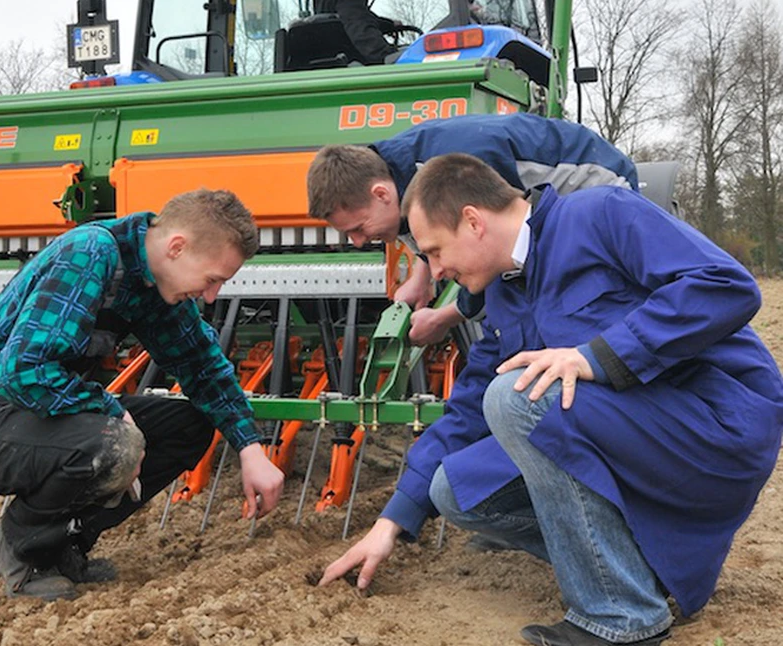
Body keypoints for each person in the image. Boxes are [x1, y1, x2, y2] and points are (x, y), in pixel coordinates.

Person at [319, 153, 783, 645]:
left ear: (473, 221)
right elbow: (469, 406)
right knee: (454, 490)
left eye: (434, 252)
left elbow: (725, 285)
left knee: (518, 398)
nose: (436, 272)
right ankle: (637, 574)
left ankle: (621, 617)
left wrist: (595, 357)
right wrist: (393, 521)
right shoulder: (505, 292)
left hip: (716, 423)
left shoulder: (602, 214)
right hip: (640, 432)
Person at [0, 189, 285, 601]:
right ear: (177, 247)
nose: (211, 296)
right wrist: (110, 410)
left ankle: (64, 545)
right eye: (212, 280)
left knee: (186, 428)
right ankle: (20, 546)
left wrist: (250, 447)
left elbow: (202, 366)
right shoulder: (90, 252)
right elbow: (22, 373)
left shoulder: (151, 283)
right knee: (116, 442)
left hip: (37, 416)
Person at [306, 112, 638, 345]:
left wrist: (445, 317)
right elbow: (427, 230)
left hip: (594, 182)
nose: (359, 242)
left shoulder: (454, 171)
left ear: (380, 193)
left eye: (359, 228)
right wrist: (419, 280)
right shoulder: (390, 173)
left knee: (539, 307)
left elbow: (488, 260)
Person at [314, 0, 399, 64]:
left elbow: (360, 17)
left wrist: (388, 24)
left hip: (333, 61)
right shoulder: (350, 3)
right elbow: (364, 36)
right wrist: (390, 56)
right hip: (354, 66)